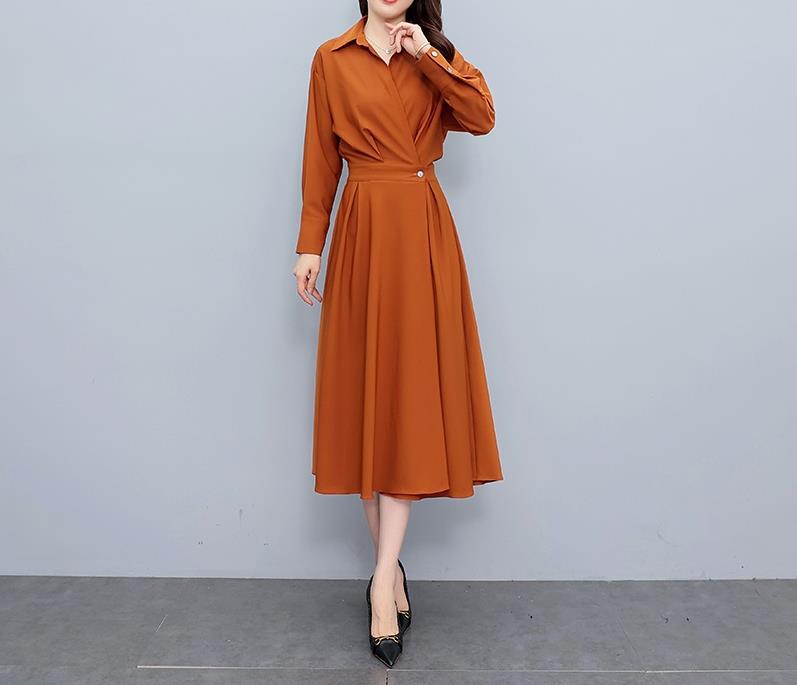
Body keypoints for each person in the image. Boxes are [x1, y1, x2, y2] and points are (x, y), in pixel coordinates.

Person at [291, 0, 504, 668]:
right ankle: (390, 572)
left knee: (406, 402)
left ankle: (382, 580)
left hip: (419, 232)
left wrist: (428, 59)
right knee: (367, 405)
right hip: (361, 230)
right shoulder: (331, 59)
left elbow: (481, 116)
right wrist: (310, 244)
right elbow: (319, 156)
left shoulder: (432, 54)